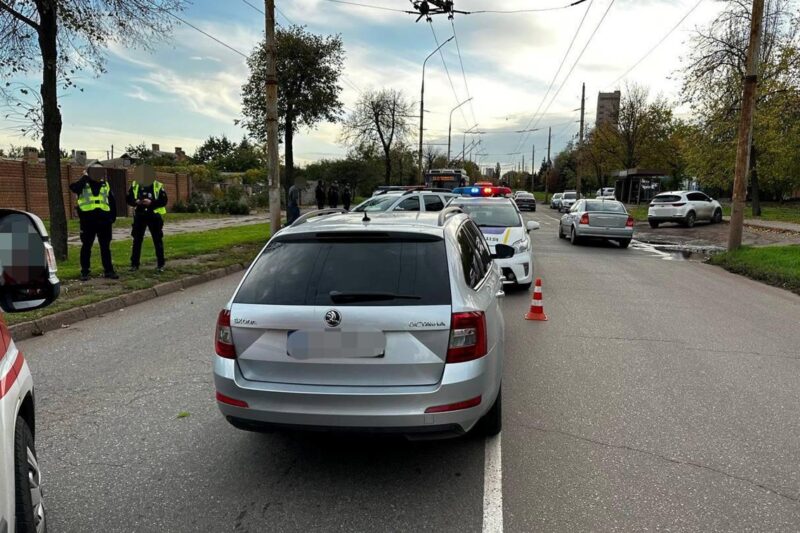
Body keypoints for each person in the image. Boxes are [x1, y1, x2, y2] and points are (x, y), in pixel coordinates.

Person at [69, 162, 118, 281]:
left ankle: (109, 271)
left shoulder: (105, 185)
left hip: (104, 222)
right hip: (88, 222)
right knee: (86, 246)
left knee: (105, 247)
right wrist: (85, 176)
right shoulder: (83, 184)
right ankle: (85, 272)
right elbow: (74, 188)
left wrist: (112, 218)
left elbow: (111, 202)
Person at [126, 165, 167, 273]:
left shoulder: (157, 185)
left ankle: (160, 264)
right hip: (140, 215)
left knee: (157, 240)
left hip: (153, 215)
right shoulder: (135, 185)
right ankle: (134, 265)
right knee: (137, 240)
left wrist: (151, 202)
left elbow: (164, 201)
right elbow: (128, 199)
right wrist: (136, 202)